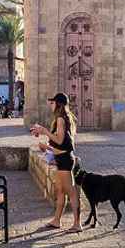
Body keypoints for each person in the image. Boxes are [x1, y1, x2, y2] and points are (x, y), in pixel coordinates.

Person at [30, 92, 82, 232]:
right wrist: (42, 134)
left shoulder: (60, 119)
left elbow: (59, 141)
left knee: (71, 191)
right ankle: (57, 220)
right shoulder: (61, 118)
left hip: (65, 160)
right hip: (60, 159)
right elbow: (58, 141)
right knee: (60, 191)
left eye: (52, 103)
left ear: (58, 104)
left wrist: (45, 131)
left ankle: (77, 223)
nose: (50, 105)